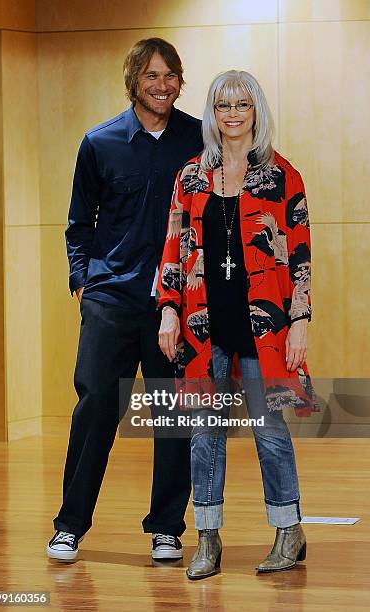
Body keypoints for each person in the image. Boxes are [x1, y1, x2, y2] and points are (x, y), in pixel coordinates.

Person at [157, 70, 319, 579]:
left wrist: (299, 322)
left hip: (264, 326)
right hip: (203, 327)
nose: (232, 115)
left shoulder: (281, 175)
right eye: (223, 105)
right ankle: (207, 537)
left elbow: (300, 257)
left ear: (256, 111)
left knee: (269, 430)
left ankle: (288, 531)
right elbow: (173, 250)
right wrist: (167, 310)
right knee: (206, 434)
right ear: (212, 112)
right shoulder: (191, 176)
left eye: (242, 105)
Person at [46, 38, 203, 563]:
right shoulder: (100, 142)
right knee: (95, 409)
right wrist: (82, 281)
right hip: (110, 299)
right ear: (134, 80)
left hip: (174, 303)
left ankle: (166, 528)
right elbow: (78, 223)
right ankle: (69, 525)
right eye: (152, 76)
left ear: (181, 81)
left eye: (171, 76)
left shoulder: (197, 141)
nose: (163, 86)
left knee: (174, 416)